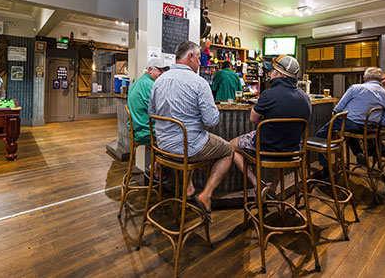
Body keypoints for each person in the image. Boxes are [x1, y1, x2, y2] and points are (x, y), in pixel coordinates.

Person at [149, 40, 233, 221]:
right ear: (190, 57)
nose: (201, 63)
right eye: (199, 58)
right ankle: (206, 195)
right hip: (187, 148)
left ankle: (189, 188)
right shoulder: (199, 83)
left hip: (162, 148)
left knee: (194, 138)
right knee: (227, 150)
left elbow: (152, 113)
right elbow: (212, 120)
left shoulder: (158, 81)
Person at [230, 55, 311, 198]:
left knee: (229, 146)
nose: (269, 73)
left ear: (280, 74)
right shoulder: (305, 98)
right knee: (280, 145)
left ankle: (257, 184)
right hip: (291, 150)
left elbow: (253, 119)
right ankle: (273, 189)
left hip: (266, 149)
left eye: (272, 70)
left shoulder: (269, 94)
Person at [315, 67, 385, 166]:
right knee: (349, 129)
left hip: (350, 124)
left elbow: (338, 109)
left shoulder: (356, 88)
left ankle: (327, 168)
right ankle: (358, 152)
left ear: (365, 78)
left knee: (321, 136)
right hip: (370, 129)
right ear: (380, 79)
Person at [127, 58, 169, 144]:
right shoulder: (151, 85)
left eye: (163, 70)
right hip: (146, 132)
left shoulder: (138, 81)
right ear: (150, 70)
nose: (162, 73)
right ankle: (164, 156)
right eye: (159, 70)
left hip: (136, 128)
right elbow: (162, 111)